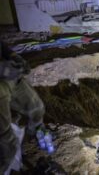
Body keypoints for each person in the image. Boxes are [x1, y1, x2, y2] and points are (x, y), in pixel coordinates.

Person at [0, 41, 45, 174]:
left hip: (7, 79)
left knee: (37, 109)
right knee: (8, 144)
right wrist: (2, 69)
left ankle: (31, 136)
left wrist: (13, 56)